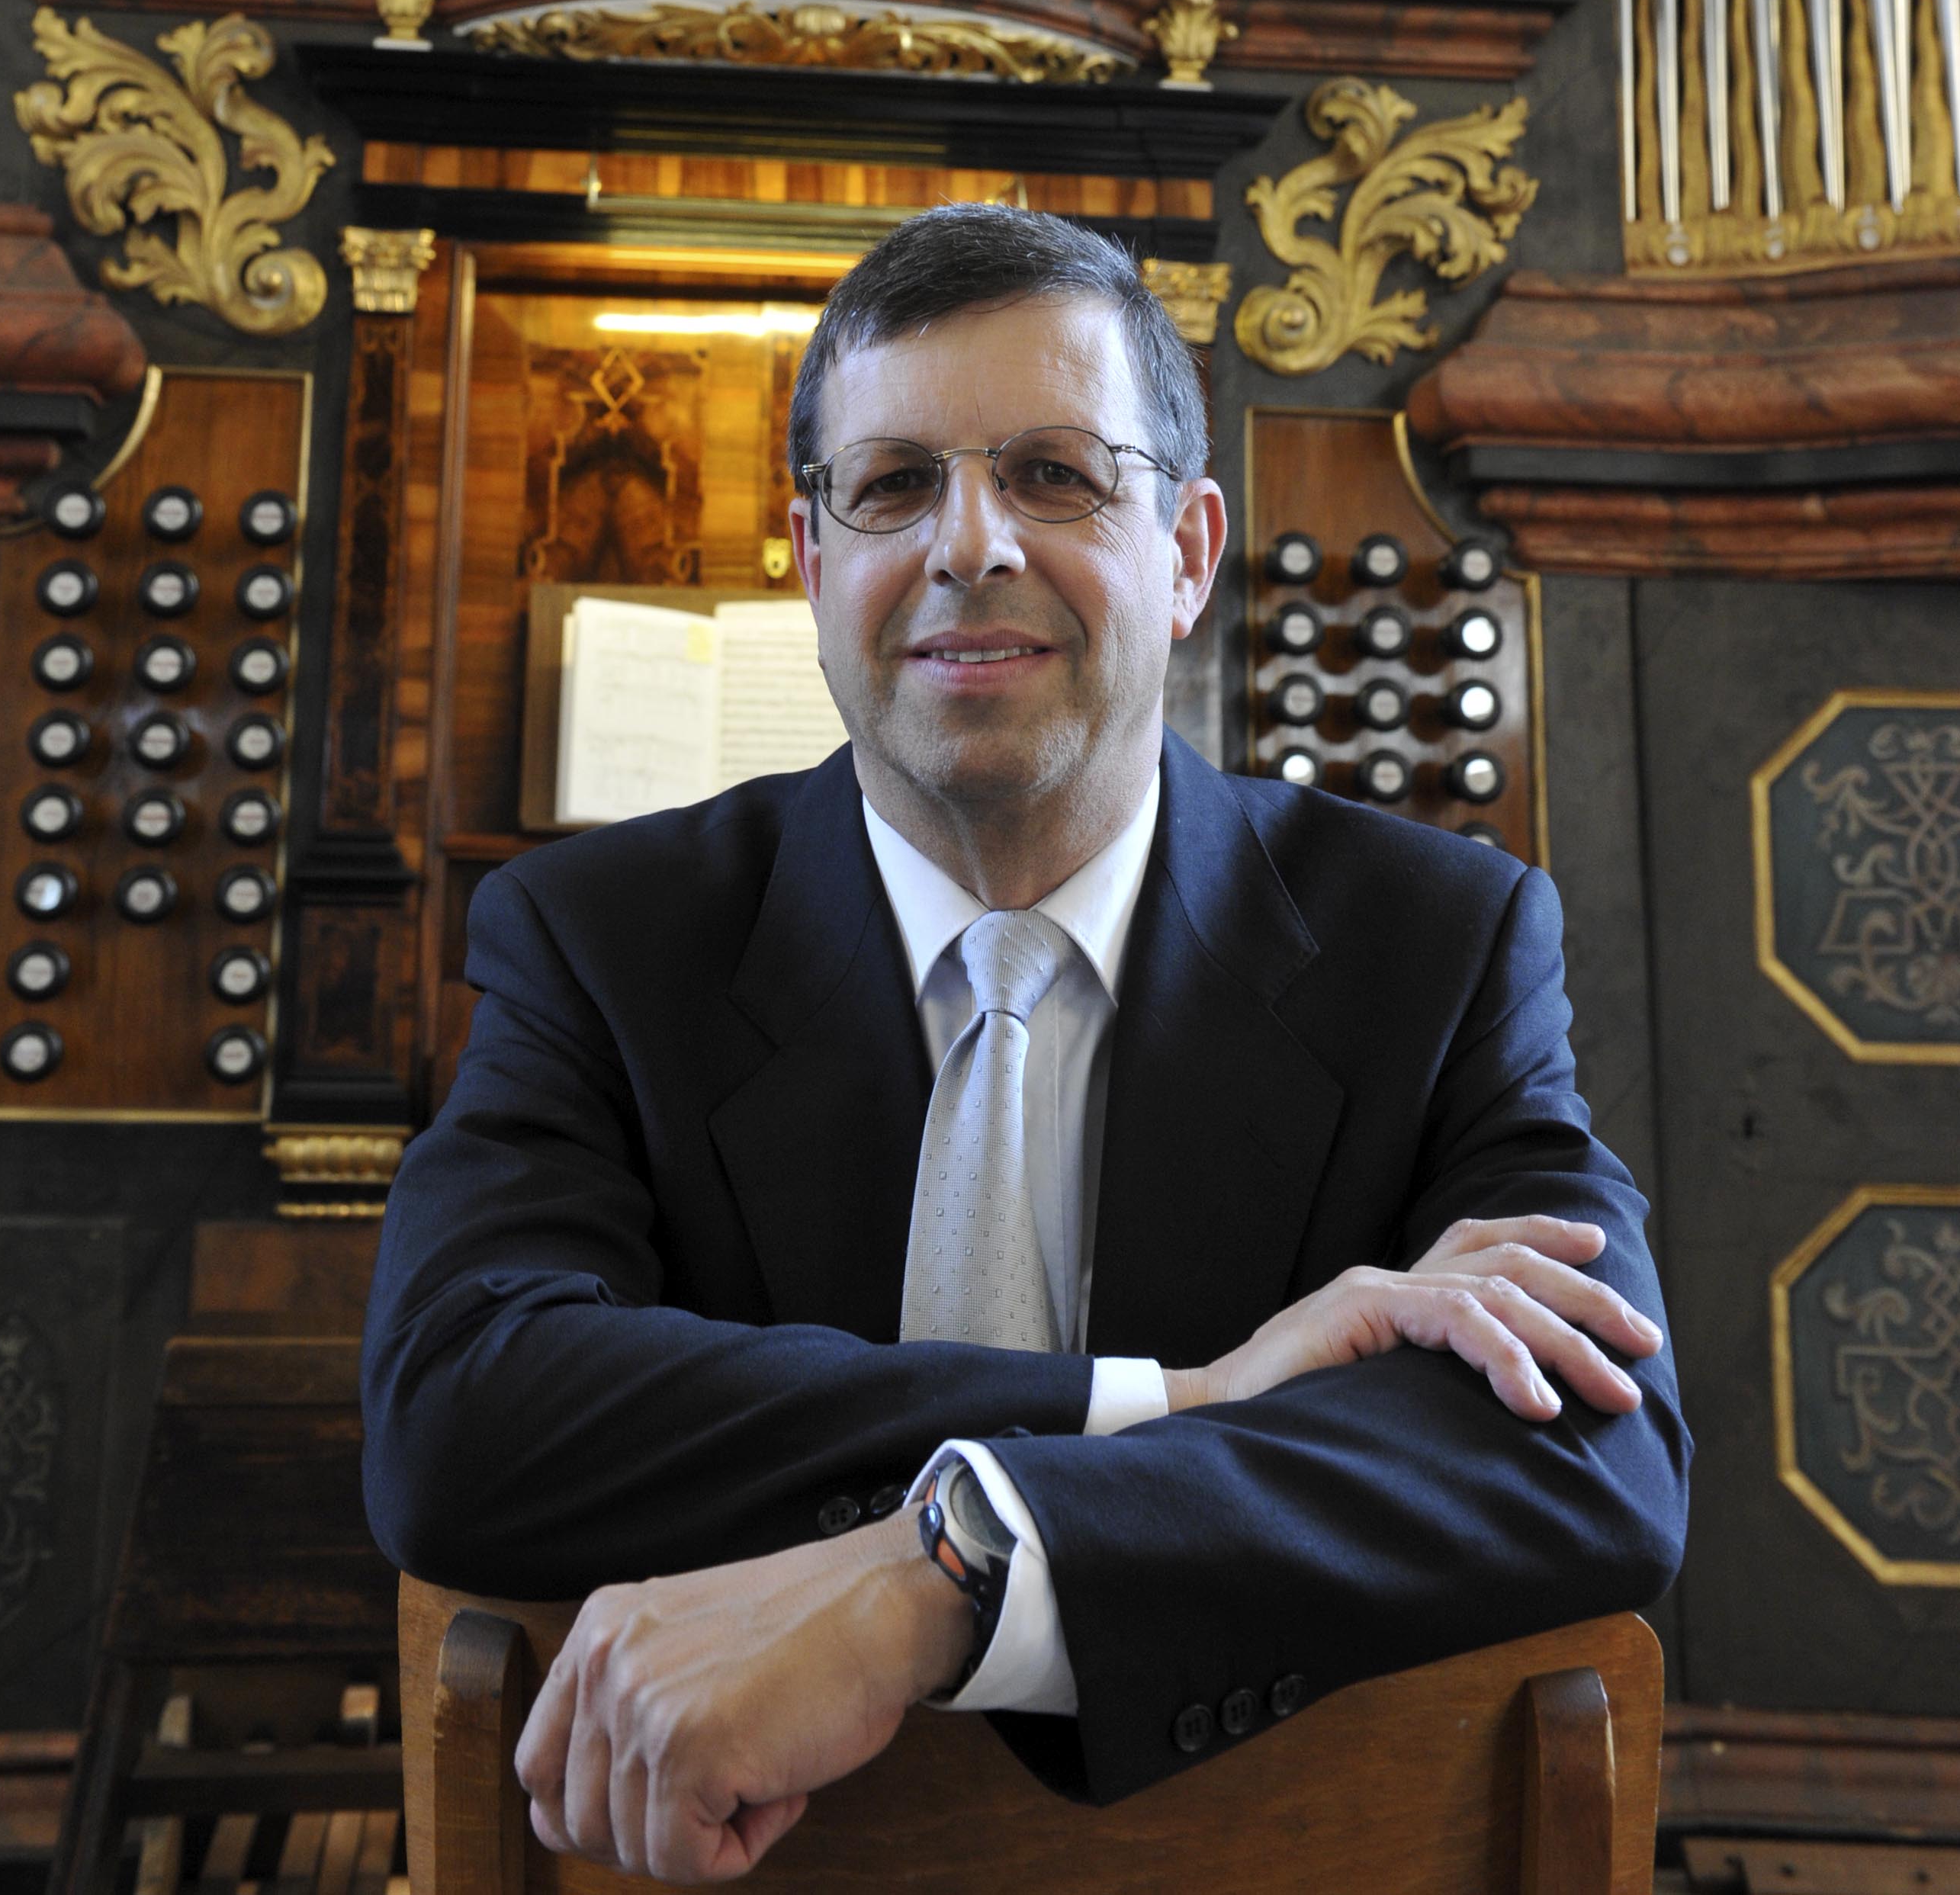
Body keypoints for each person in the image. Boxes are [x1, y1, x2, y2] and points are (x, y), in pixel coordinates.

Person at [362, 205, 1687, 1885]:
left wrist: (959, 1561)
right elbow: (460, 1419)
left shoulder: (1434, 944)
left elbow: (1594, 1443)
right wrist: (1169, 1402)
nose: (965, 542)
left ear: (1191, 549)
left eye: (1055, 474)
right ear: (810, 559)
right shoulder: (604, 937)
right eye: (893, 483)